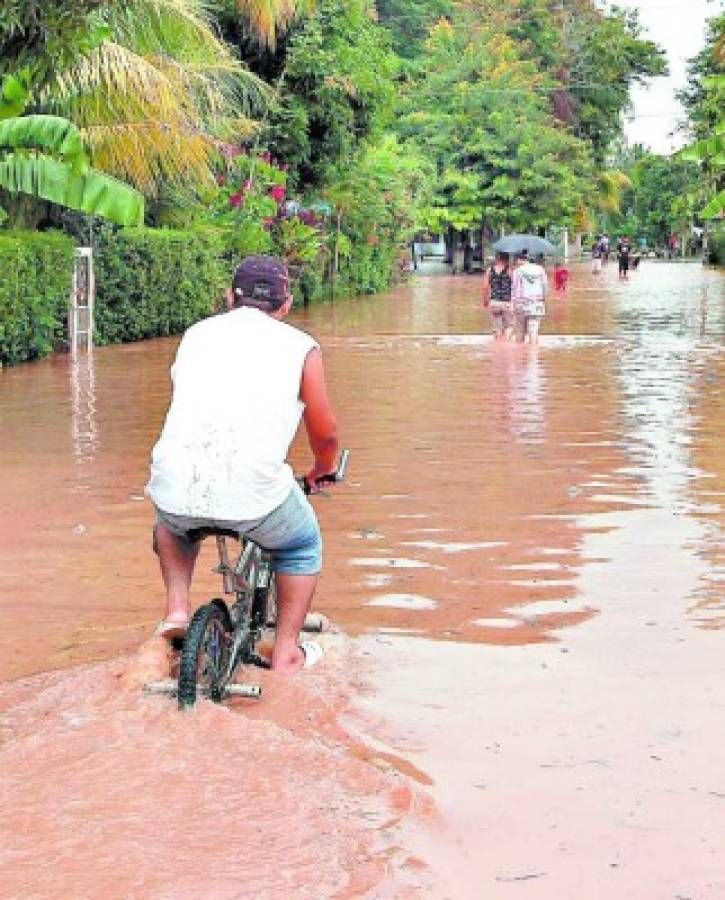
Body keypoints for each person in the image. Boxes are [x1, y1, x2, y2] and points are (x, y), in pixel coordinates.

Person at [145, 255, 339, 673]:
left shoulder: (196, 335)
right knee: (302, 545)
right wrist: (322, 467)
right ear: (285, 305)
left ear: (230, 297)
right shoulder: (301, 346)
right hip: (254, 494)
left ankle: (177, 611)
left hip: (175, 481)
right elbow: (324, 432)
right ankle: (287, 650)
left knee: (172, 525)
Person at [511, 251, 548, 344]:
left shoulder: (517, 271)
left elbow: (514, 289)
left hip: (521, 303)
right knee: (534, 330)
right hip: (537, 302)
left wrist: (513, 305)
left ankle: (519, 355)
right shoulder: (540, 269)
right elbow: (545, 287)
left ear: (519, 260)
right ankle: (533, 354)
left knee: (519, 331)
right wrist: (543, 300)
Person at [482, 251, 513, 340]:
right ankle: (505, 343)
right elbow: (515, 286)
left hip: (494, 302)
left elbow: (485, 287)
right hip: (507, 301)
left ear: (497, 258)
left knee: (497, 329)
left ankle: (498, 345)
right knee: (509, 326)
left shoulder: (490, 270)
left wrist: (485, 301)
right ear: (507, 259)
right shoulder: (510, 270)